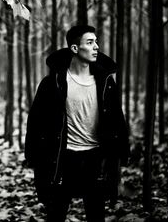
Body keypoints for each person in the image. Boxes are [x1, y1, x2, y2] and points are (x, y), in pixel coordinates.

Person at [25, 25, 130, 222]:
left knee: (96, 215)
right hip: (63, 159)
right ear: (75, 48)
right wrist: (33, 157)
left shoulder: (106, 82)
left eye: (96, 42)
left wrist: (122, 153)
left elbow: (117, 119)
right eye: (90, 43)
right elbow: (36, 122)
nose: (96, 47)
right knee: (56, 214)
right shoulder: (53, 83)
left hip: (95, 159)